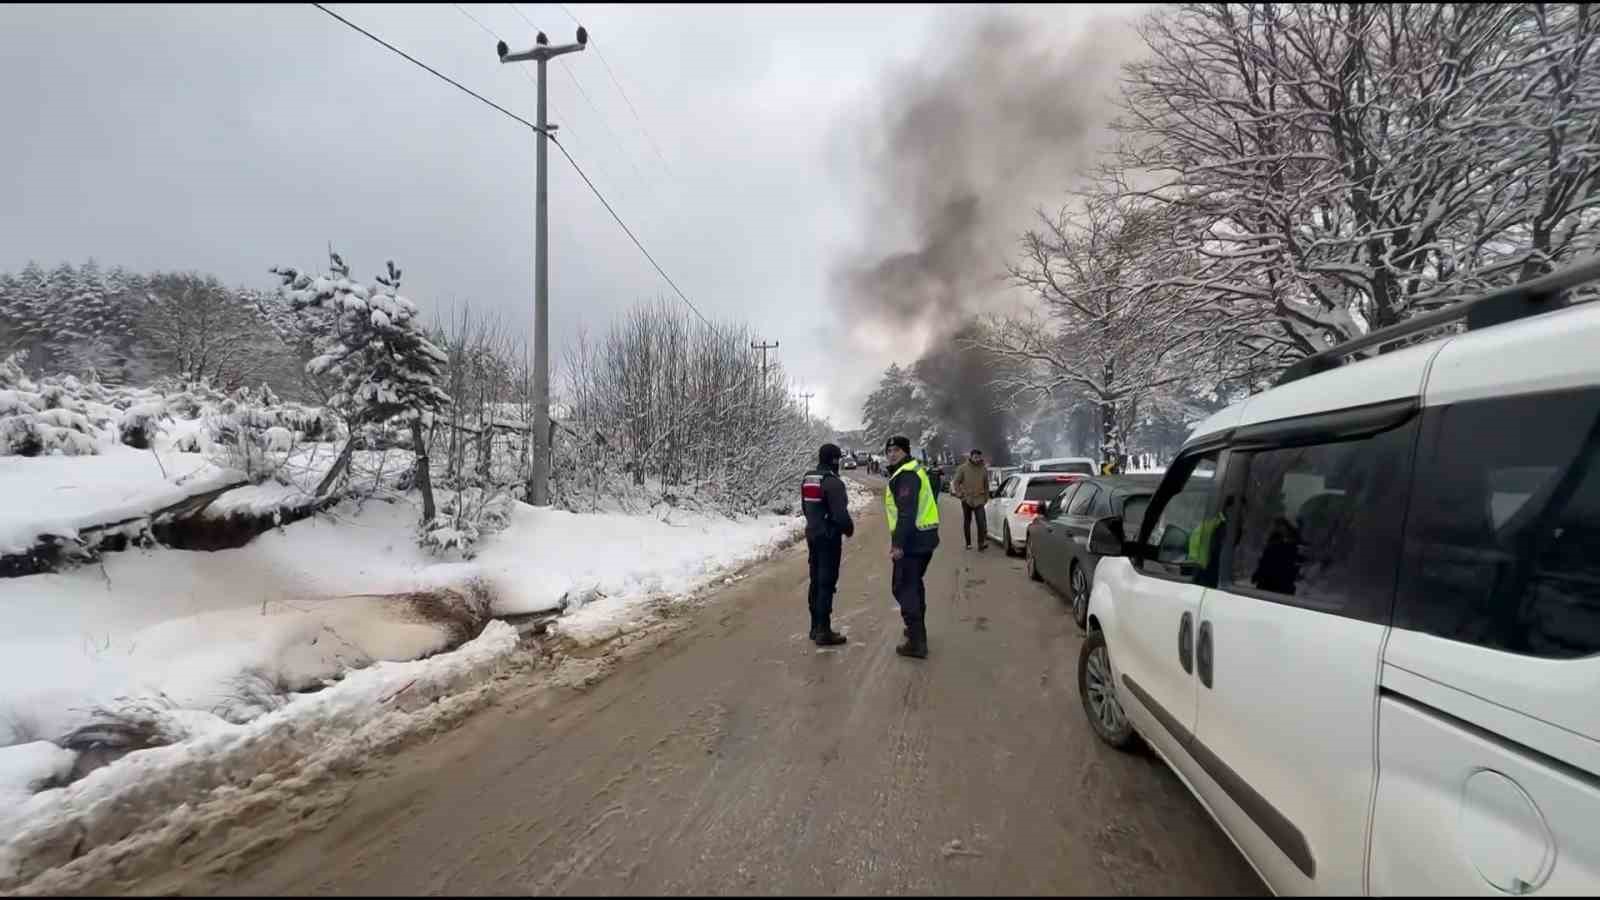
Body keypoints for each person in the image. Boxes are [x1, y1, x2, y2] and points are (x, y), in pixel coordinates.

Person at [883, 435, 941, 658]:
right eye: (889, 451)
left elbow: (906, 512)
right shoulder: (914, 470)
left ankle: (916, 642)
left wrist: (898, 544)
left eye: (896, 450)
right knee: (913, 586)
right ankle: (916, 631)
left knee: (904, 587)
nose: (891, 454)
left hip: (913, 542)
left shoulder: (906, 475)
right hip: (924, 538)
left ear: (906, 451)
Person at [801, 443, 854, 646]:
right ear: (835, 460)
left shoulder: (809, 478)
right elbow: (840, 515)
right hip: (829, 538)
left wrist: (814, 524)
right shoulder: (834, 483)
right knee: (826, 582)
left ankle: (815, 627)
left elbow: (805, 507)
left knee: (815, 580)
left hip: (812, 534)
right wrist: (848, 529)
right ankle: (824, 630)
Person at [950, 448, 991, 551]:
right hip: (967, 499)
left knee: (981, 522)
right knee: (967, 521)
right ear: (971, 457)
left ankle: (981, 543)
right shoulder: (963, 468)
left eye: (979, 457)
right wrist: (960, 494)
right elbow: (956, 482)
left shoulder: (983, 469)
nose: (977, 459)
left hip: (979, 499)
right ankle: (968, 543)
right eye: (975, 457)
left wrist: (986, 497)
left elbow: (986, 485)